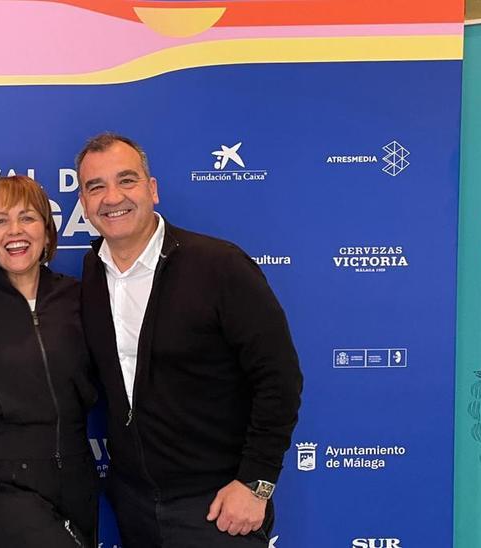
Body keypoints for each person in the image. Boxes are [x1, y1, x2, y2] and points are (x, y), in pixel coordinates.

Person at [75, 132, 302, 547]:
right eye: (96, 187)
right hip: (134, 507)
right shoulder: (91, 274)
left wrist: (256, 483)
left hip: (217, 508)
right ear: (85, 203)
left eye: (126, 180)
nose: (112, 197)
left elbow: (280, 379)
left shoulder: (219, 266)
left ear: (152, 189)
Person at [0, 175, 100, 547]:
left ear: (48, 233)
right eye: (0, 220)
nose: (14, 230)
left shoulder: (81, 297)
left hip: (75, 472)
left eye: (28, 218)